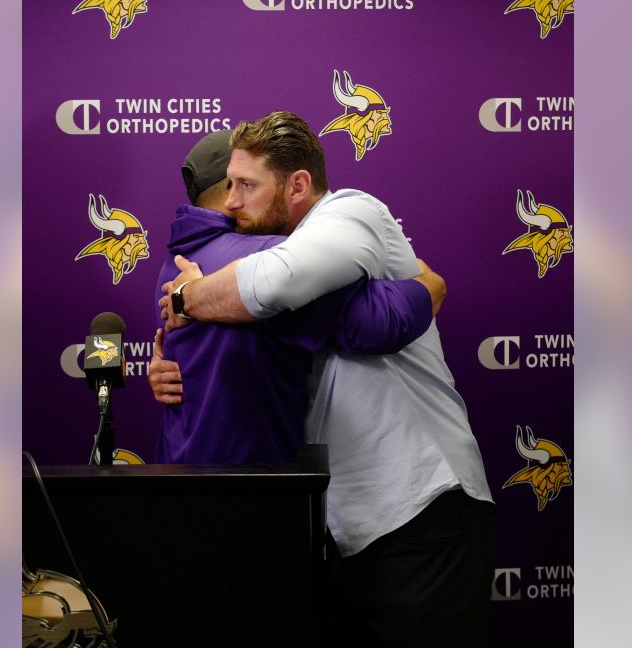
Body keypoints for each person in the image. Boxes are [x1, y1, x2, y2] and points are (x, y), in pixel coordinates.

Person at [156, 113, 494, 647]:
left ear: (297, 184)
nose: (233, 203)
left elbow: (282, 286)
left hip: (420, 506)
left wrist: (187, 299)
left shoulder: (348, 212)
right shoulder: (257, 248)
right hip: (343, 524)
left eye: (247, 186)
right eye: (229, 185)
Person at [150, 129, 446, 465]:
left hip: (176, 475)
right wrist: (427, 285)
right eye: (241, 183)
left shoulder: (173, 266)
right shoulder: (266, 254)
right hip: (253, 485)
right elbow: (378, 321)